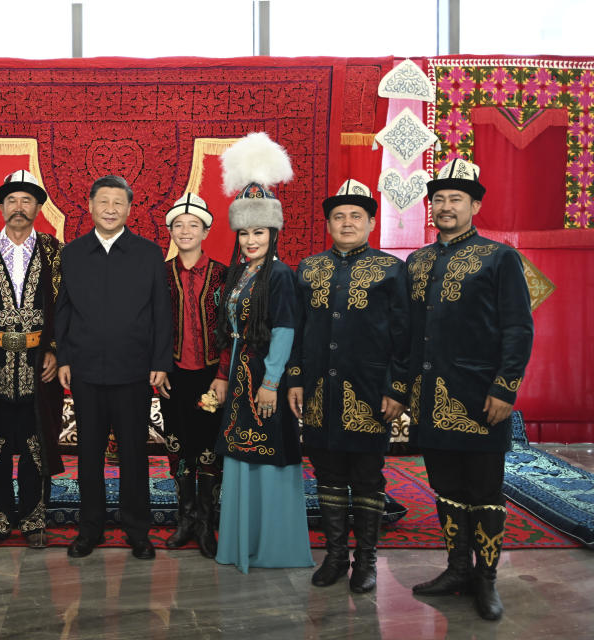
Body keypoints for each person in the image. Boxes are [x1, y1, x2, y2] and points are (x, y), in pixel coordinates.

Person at [407, 159, 533, 621]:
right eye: (438, 199)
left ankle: (487, 579)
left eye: (455, 199)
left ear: (475, 204)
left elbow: (518, 328)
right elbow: (406, 333)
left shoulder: (499, 258)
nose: (445, 206)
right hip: (429, 397)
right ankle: (457, 568)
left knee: (484, 490)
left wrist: (506, 387)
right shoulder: (417, 261)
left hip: (481, 397)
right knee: (445, 487)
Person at [284, 179, 410, 592]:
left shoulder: (391, 269)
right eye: (339, 216)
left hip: (370, 391)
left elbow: (404, 334)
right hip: (320, 389)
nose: (347, 222)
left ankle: (366, 561)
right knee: (327, 472)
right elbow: (298, 331)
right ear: (328, 224)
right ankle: (336, 555)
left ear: (371, 222)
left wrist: (397, 388)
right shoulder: (309, 268)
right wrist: (297, 378)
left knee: (368, 476)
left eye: (356, 215)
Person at [208, 132, 314, 574]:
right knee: (238, 452)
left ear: (274, 231)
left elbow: (286, 331)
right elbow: (229, 332)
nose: (252, 240)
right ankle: (240, 542)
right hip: (237, 375)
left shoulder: (281, 276)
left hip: (265, 377)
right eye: (246, 232)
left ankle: (272, 545)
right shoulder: (238, 274)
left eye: (260, 231)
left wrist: (273, 382)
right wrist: (222, 373)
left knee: (269, 452)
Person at [56, 175, 173, 560]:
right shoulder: (71, 253)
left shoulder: (148, 253)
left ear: (129, 208)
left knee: (134, 453)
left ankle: (138, 530)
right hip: (86, 370)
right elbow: (64, 310)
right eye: (103, 201)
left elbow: (161, 311)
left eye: (118, 202)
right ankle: (90, 529)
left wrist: (160, 361)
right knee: (88, 453)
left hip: (134, 370)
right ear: (89, 205)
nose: (110, 208)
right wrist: (64, 358)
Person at [0, 170, 64, 551]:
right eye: (12, 200)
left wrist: (55, 348)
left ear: (38, 207)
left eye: (27, 200)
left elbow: (66, 308)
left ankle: (35, 519)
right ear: (2, 206)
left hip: (41, 364)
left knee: (38, 440)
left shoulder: (56, 252)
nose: (19, 207)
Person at [156, 193, 227, 558]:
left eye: (193, 225)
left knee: (208, 445)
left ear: (205, 231)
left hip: (211, 378)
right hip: (173, 376)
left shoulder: (223, 274)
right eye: (178, 226)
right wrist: (155, 367)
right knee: (178, 442)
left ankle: (205, 522)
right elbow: (149, 326)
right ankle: (184, 517)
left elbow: (233, 329)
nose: (185, 231)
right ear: (170, 231)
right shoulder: (160, 274)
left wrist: (225, 375)